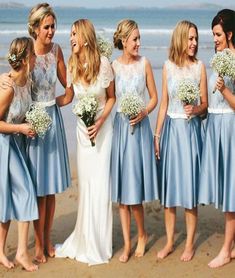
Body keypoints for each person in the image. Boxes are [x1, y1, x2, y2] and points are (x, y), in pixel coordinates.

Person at [55, 19, 115, 266]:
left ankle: (99, 244)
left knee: (100, 184)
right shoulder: (71, 65)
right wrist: (43, 104)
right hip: (82, 133)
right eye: (70, 34)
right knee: (87, 184)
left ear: (86, 37)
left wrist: (99, 122)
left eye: (74, 34)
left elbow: (112, 98)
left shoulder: (104, 65)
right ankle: (84, 238)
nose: (70, 38)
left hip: (102, 129)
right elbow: (69, 97)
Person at [155, 20, 208, 262]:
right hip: (171, 133)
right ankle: (168, 242)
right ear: (180, 39)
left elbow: (205, 105)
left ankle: (188, 244)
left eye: (196, 39)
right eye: (190, 38)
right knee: (170, 191)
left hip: (190, 134)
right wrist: (157, 135)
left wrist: (195, 109)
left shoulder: (200, 68)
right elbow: (164, 104)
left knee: (188, 190)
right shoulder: (167, 67)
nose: (194, 43)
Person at [111, 19, 159, 263]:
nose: (139, 43)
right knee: (121, 191)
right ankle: (128, 244)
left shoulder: (145, 64)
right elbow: (106, 96)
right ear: (123, 40)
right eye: (135, 39)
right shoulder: (113, 67)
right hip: (120, 128)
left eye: (139, 38)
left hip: (139, 129)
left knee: (135, 188)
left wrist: (143, 112)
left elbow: (154, 98)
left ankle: (142, 234)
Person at [27, 3, 71, 263]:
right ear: (34, 28)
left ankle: (47, 239)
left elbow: (69, 89)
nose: (52, 31)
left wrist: (56, 104)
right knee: (37, 188)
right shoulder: (27, 52)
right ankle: (37, 245)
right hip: (33, 126)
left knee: (50, 188)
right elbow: (18, 87)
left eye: (53, 26)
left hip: (52, 122)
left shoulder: (57, 51)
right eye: (47, 27)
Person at [198, 9, 235, 268]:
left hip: (230, 127)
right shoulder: (218, 58)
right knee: (225, 187)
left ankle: (225, 249)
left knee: (231, 190)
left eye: (218, 34)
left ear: (230, 34)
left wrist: (224, 89)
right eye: (213, 34)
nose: (215, 39)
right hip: (215, 125)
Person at [0, 37, 38, 272]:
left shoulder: (27, 80)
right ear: (24, 60)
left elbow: (21, 113)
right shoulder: (8, 88)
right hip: (4, 144)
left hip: (17, 142)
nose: (35, 58)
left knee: (5, 199)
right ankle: (23, 253)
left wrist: (29, 123)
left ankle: (0, 252)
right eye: (32, 55)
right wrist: (20, 128)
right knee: (25, 192)